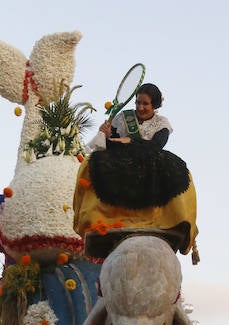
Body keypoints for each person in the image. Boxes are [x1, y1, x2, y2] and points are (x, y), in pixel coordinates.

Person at [73, 82, 198, 260]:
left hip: (149, 162)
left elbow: (156, 146)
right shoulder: (123, 117)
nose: (140, 107)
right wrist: (107, 134)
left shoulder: (162, 123)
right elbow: (113, 142)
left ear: (154, 105)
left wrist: (130, 141)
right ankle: (101, 218)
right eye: (138, 103)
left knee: (172, 167)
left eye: (145, 104)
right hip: (122, 159)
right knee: (93, 162)